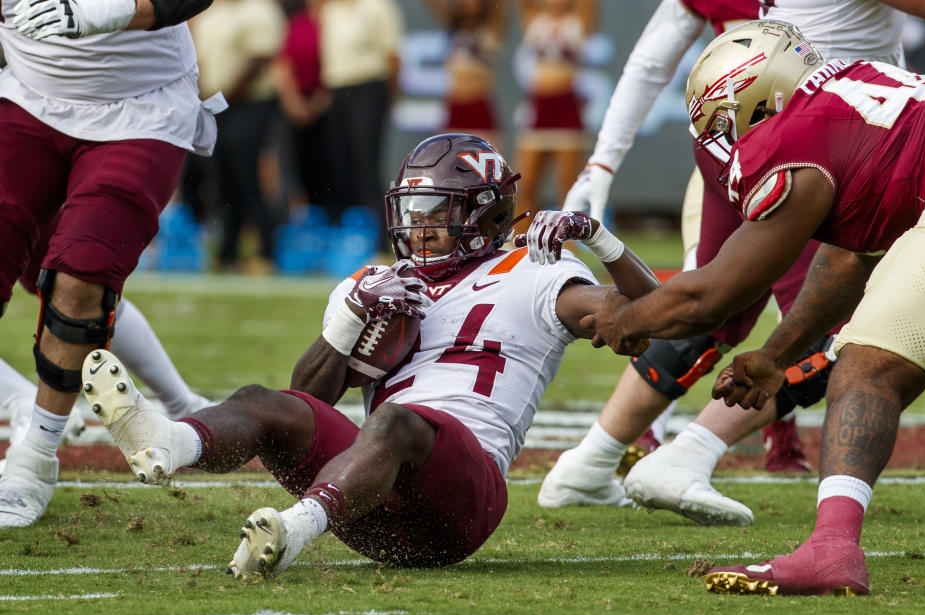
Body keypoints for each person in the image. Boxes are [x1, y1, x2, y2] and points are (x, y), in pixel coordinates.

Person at [79, 133, 660, 577]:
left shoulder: (534, 272)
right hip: (368, 500)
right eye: (412, 212)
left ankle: (292, 532)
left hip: (462, 502)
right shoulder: (379, 282)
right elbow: (306, 400)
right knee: (264, 401)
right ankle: (168, 440)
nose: (420, 228)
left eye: (438, 212)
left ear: (485, 213)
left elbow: (651, 318)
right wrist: (352, 316)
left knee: (395, 420)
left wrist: (599, 239)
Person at [540, 0, 925, 519]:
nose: (729, 141)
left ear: (765, 102)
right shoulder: (850, 81)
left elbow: (708, 299)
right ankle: (657, 461)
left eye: (729, 122)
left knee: (864, 357)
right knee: (849, 351)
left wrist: (624, 318)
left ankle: (817, 532)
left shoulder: (800, 142)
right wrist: (777, 354)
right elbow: (848, 259)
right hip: (916, 161)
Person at [0, 0, 223, 528]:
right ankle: (20, 400)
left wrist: (111, 13)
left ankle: (34, 458)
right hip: (26, 94)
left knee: (81, 279)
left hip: (139, 105)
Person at [191, 0, 287, 272]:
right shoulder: (212, 12)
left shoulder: (260, 9)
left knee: (247, 173)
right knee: (221, 176)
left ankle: (266, 249)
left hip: (250, 102)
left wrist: (220, 99)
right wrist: (207, 99)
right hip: (217, 104)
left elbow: (259, 58)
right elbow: (197, 60)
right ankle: (228, 250)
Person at [320, 0, 403, 236]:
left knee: (365, 164)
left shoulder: (376, 7)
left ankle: (379, 237)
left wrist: (390, 98)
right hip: (337, 90)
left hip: (368, 88)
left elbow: (393, 57)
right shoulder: (331, 9)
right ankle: (348, 234)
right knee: (339, 163)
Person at [513, 0, 595, 220]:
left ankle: (568, 247)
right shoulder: (535, 18)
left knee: (567, 189)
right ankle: (523, 241)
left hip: (566, 108)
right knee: (525, 185)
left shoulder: (578, 21)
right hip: (539, 107)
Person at [272, 0, 333, 209]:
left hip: (330, 102)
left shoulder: (337, 21)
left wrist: (322, 99)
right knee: (297, 167)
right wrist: (294, 101)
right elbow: (283, 61)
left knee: (332, 168)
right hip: (296, 103)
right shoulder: (296, 22)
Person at [424, 0, 505, 146]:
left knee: (487, 160)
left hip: (478, 106)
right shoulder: (453, 26)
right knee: (448, 162)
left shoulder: (491, 27)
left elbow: (499, 6)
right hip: (455, 105)